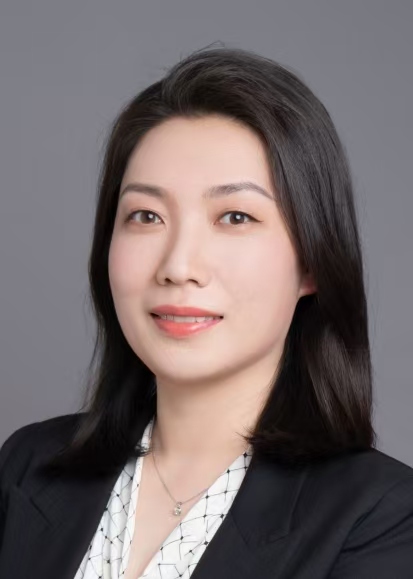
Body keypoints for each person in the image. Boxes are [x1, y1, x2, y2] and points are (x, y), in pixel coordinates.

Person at [0, 45, 412, 579]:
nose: (178, 266)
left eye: (235, 217)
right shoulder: (26, 466)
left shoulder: (383, 520)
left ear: (313, 260)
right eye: (146, 215)